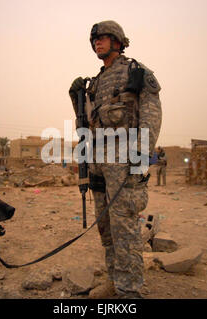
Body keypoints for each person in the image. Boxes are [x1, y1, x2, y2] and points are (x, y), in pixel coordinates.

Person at [69, 20, 162, 299]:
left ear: (118, 42)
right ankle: (114, 281)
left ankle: (129, 291)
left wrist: (142, 157)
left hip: (124, 159)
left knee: (124, 227)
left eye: (103, 38)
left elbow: (151, 115)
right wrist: (76, 99)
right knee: (106, 227)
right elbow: (87, 123)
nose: (97, 42)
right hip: (98, 159)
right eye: (94, 39)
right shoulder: (95, 82)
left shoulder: (136, 72)